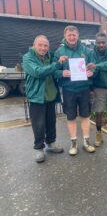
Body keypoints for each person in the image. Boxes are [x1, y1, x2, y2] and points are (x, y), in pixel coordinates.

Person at [54, 25, 95, 156]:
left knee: (85, 116)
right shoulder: (59, 52)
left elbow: (93, 66)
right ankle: (73, 143)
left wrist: (91, 72)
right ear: (65, 36)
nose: (72, 37)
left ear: (78, 36)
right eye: (69, 35)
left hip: (84, 89)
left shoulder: (86, 51)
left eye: (74, 35)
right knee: (70, 117)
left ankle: (86, 142)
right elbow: (53, 70)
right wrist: (61, 73)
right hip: (68, 89)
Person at [23, 35, 64, 163]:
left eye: (45, 45)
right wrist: (57, 64)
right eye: (40, 45)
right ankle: (39, 148)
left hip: (50, 95)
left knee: (51, 122)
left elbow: (59, 57)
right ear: (34, 45)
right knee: (39, 124)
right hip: (37, 97)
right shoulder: (28, 57)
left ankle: (51, 143)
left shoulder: (50, 56)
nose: (43, 48)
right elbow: (38, 72)